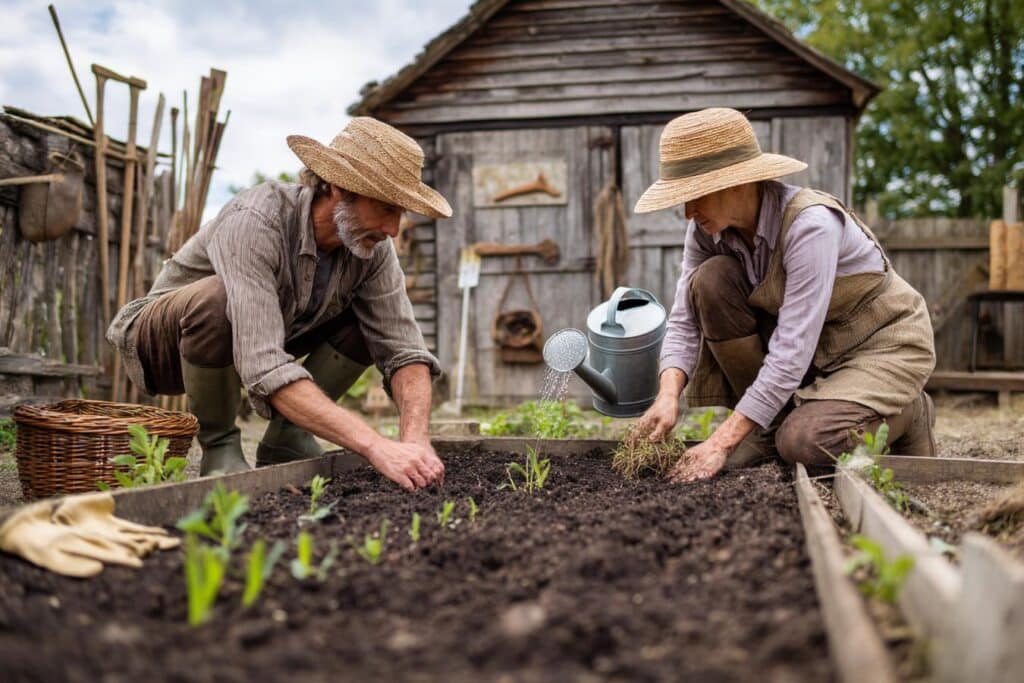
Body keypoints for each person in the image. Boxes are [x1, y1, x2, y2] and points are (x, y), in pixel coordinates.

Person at [107, 117, 450, 491]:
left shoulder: (372, 250)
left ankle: (288, 437)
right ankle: (219, 446)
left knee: (370, 323)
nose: (394, 230)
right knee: (216, 300)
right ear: (339, 187)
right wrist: (375, 446)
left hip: (272, 336)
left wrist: (415, 440)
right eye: (386, 208)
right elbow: (263, 363)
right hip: (166, 345)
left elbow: (405, 350)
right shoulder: (256, 221)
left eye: (400, 213)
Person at [633, 108, 936, 482]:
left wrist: (721, 442)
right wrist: (667, 394)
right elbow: (684, 318)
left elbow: (793, 347)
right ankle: (769, 424)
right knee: (710, 281)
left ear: (737, 183)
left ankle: (907, 407)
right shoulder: (705, 230)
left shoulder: (811, 226)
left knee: (803, 443)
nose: (687, 212)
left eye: (695, 196)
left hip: (876, 348)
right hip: (811, 354)